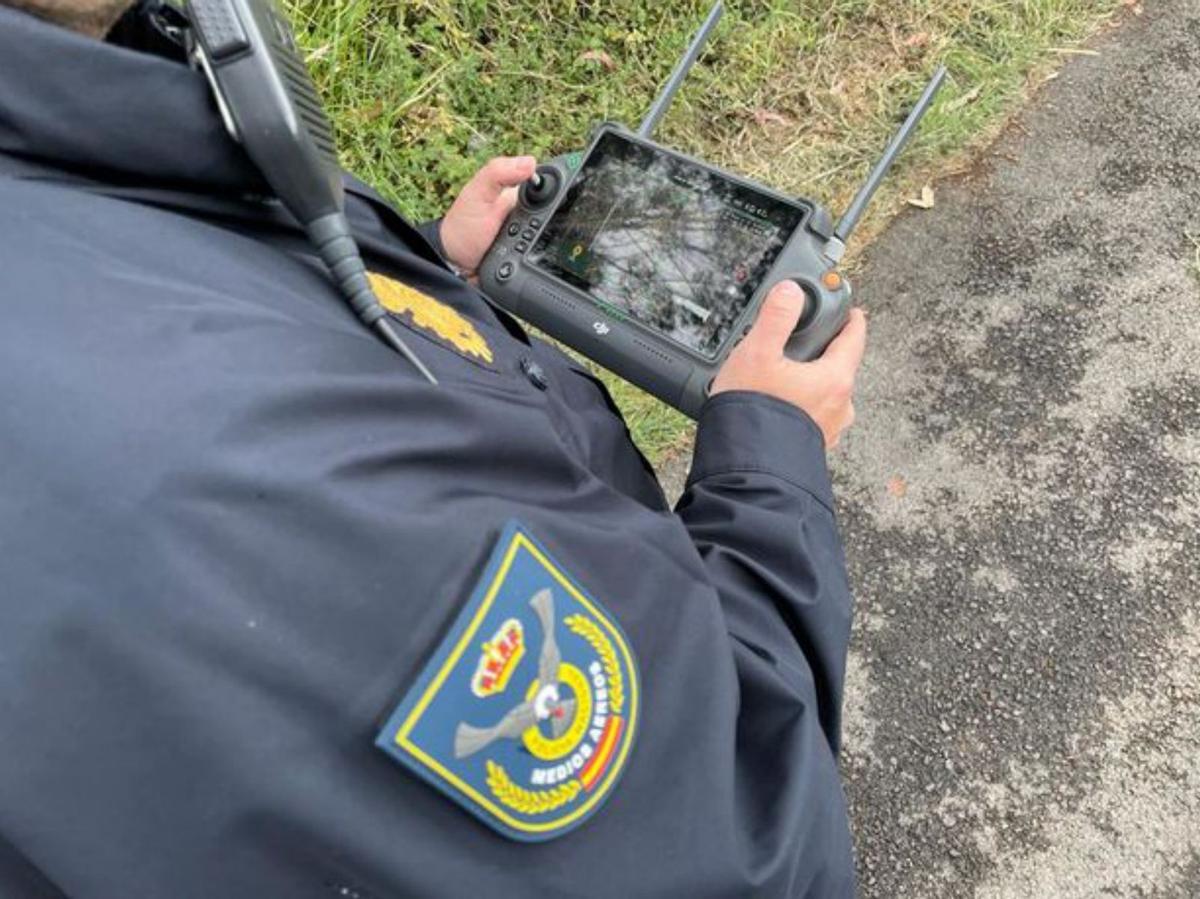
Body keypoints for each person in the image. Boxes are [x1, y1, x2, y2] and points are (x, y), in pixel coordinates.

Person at [0, 0, 868, 895]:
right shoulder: (249, 472)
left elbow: (226, 308)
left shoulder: (73, 158)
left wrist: (421, 284)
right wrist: (770, 449)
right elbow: (743, 834)